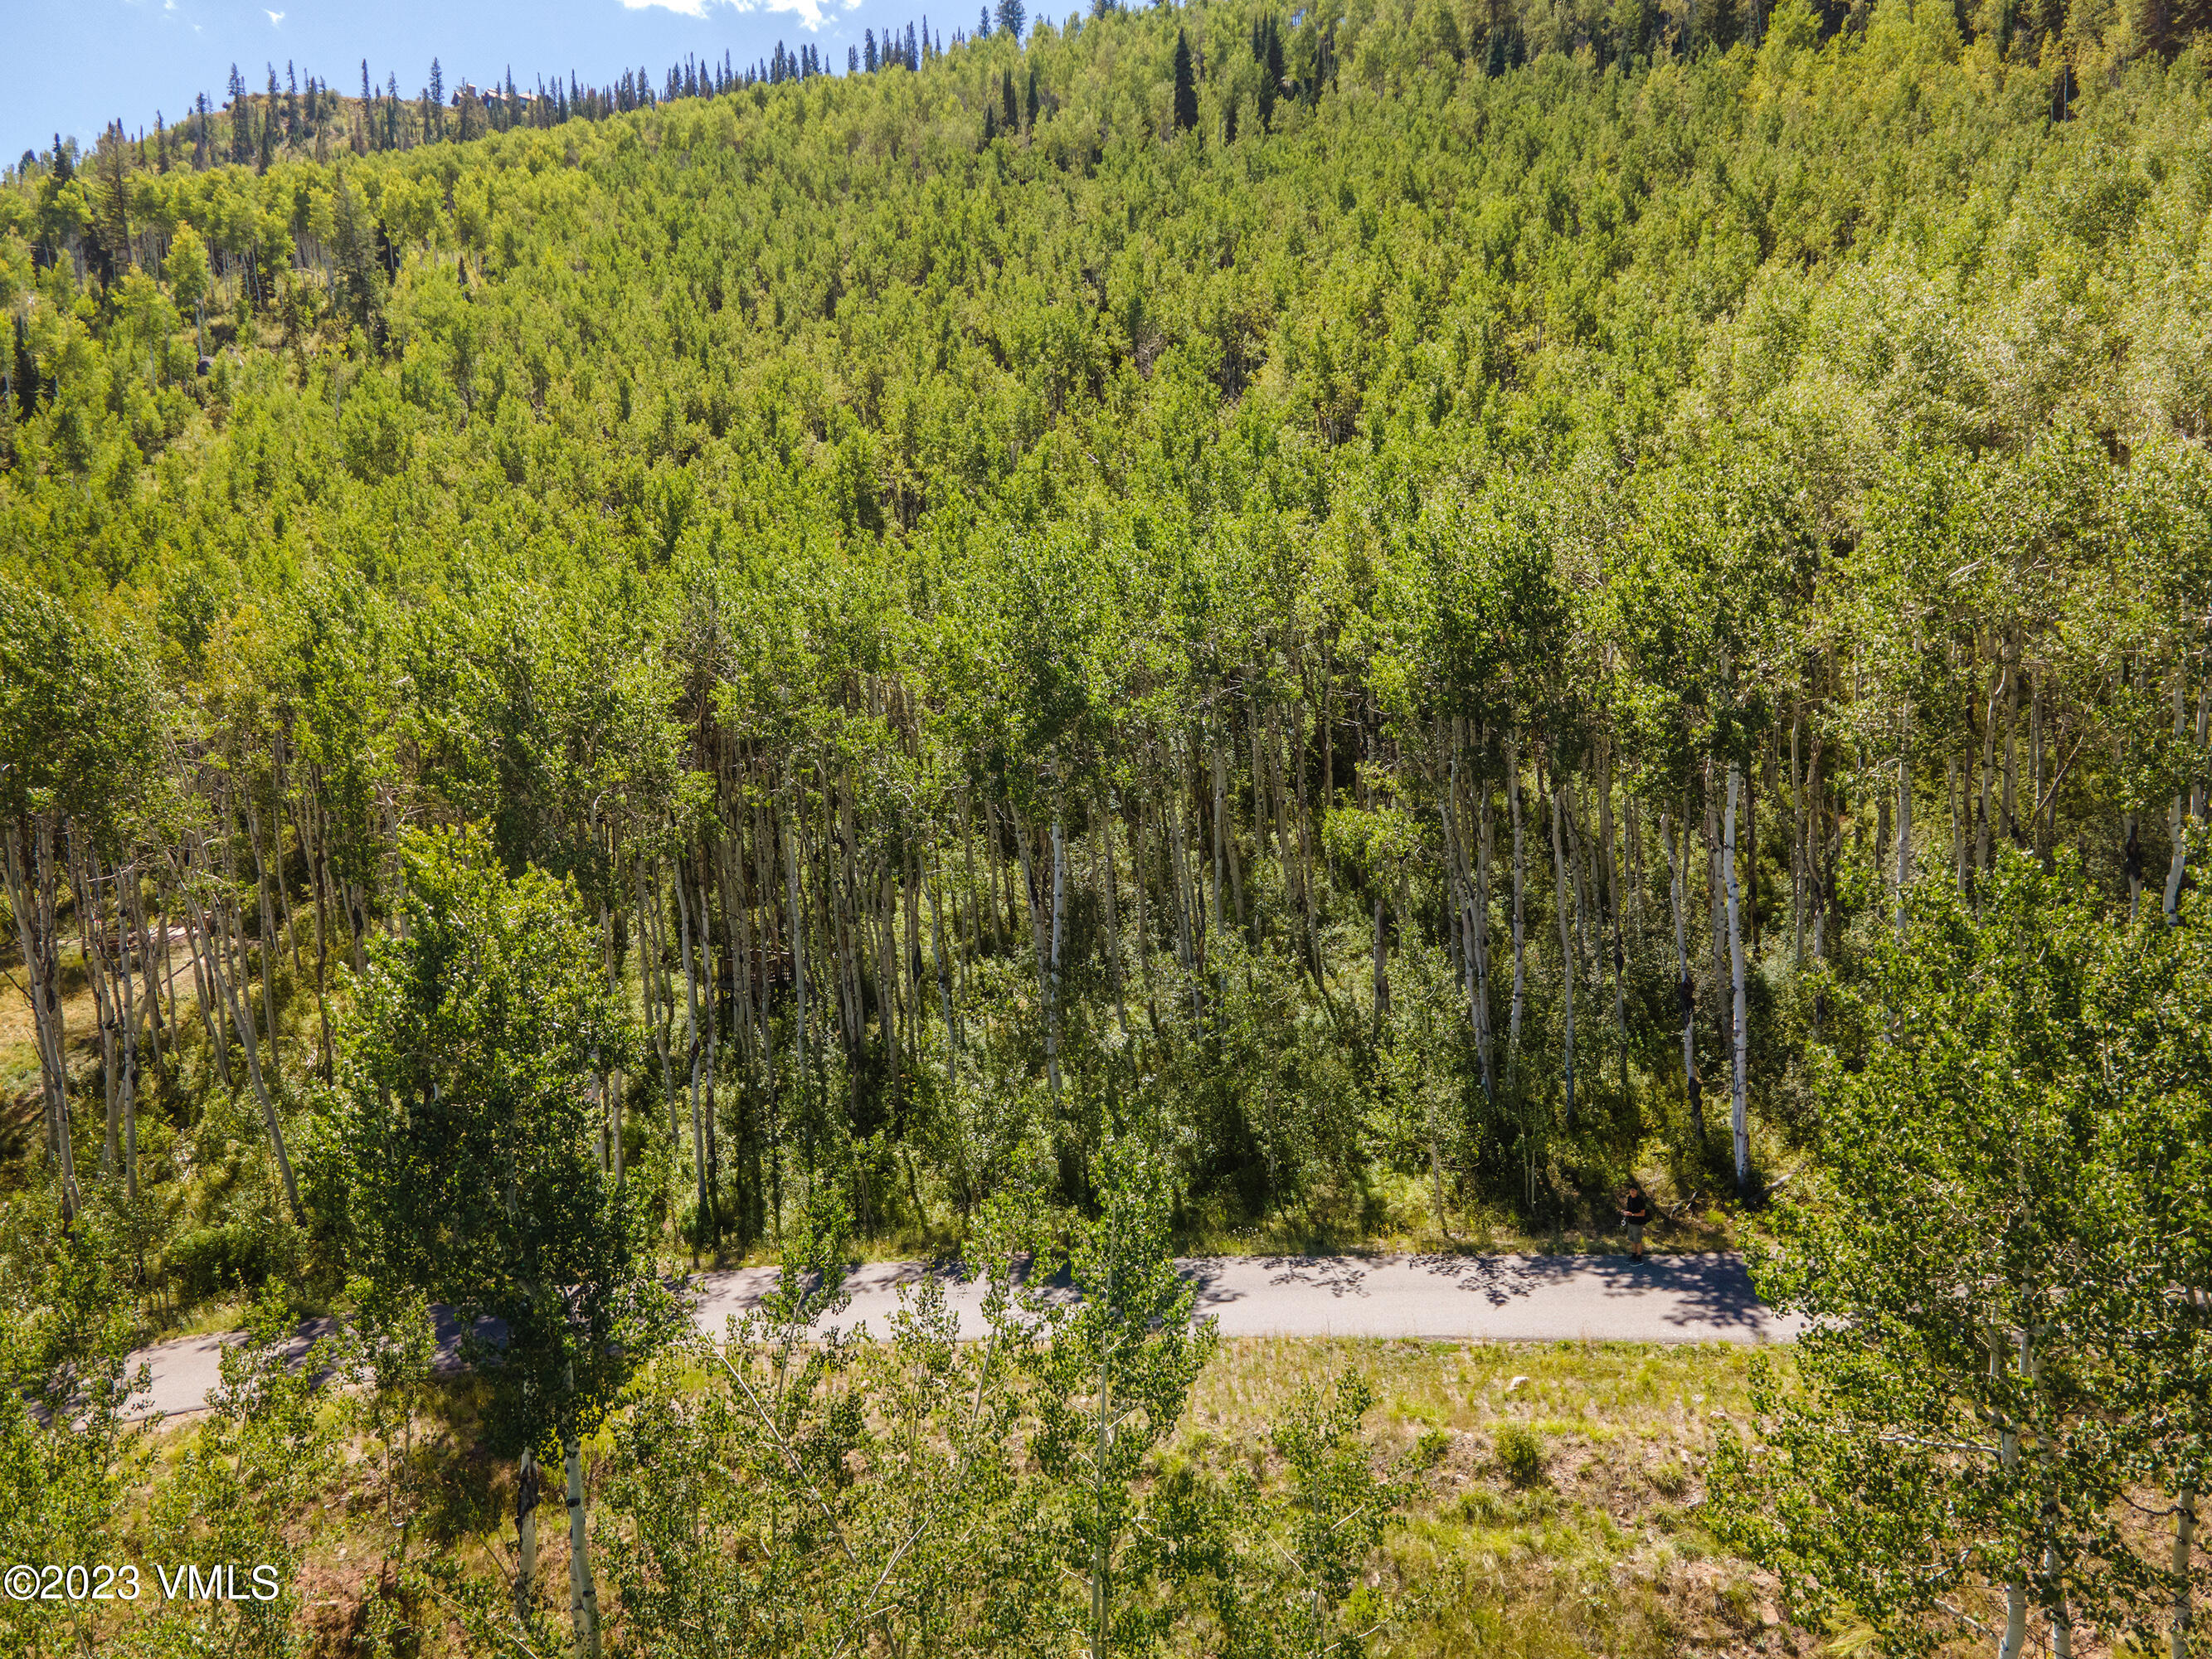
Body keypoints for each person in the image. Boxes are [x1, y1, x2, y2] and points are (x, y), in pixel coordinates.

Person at [1618, 1184, 1651, 1262]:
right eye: (1631, 1190)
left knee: (1638, 1240)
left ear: (1637, 1191)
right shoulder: (1629, 1198)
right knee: (1632, 1239)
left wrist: (1632, 1214)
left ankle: (1639, 1256)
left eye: (1634, 1190)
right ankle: (1634, 1254)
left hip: (1638, 1223)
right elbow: (1629, 1209)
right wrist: (1625, 1212)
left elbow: (1643, 1214)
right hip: (1631, 1222)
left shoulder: (1640, 1200)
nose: (1632, 1191)